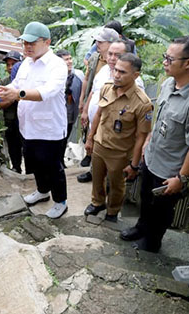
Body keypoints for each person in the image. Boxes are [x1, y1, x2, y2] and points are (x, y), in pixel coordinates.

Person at [120, 36, 189, 252]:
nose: (164, 62)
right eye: (165, 57)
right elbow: (160, 118)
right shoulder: (168, 84)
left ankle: (152, 243)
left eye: (170, 59)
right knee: (145, 199)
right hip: (152, 158)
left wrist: (181, 178)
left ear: (188, 63)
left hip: (169, 171)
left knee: (161, 211)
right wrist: (148, 142)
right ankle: (141, 228)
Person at [0, 22, 69, 219]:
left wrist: (17, 94)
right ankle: (42, 191)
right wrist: (4, 90)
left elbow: (47, 92)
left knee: (53, 166)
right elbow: (17, 84)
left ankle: (60, 201)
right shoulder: (26, 63)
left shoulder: (57, 65)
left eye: (32, 43)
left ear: (47, 42)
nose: (27, 47)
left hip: (49, 128)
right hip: (27, 126)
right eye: (25, 43)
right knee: (34, 163)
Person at [83, 54, 152, 222]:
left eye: (122, 72)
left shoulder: (143, 103)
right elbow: (98, 114)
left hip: (120, 152)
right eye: (115, 70)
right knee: (97, 179)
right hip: (100, 145)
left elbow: (141, 137)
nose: (116, 75)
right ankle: (97, 202)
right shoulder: (107, 88)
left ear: (135, 75)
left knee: (117, 185)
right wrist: (90, 139)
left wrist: (134, 165)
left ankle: (112, 211)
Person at [77, 26, 120, 179]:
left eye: (101, 42)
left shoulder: (125, 73)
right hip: (95, 120)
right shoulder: (102, 67)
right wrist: (85, 110)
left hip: (109, 125)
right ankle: (94, 172)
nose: (97, 44)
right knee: (95, 149)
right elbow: (93, 90)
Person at [55, 49, 83, 163]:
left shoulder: (78, 75)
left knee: (66, 136)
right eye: (66, 59)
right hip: (57, 114)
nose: (70, 61)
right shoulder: (54, 76)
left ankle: (61, 160)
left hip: (71, 113)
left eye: (70, 58)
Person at [0, 51, 24, 173]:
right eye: (8, 65)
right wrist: (12, 98)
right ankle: (16, 167)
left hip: (26, 121)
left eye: (13, 64)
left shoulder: (29, 81)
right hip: (10, 121)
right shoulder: (3, 83)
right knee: (13, 146)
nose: (10, 67)